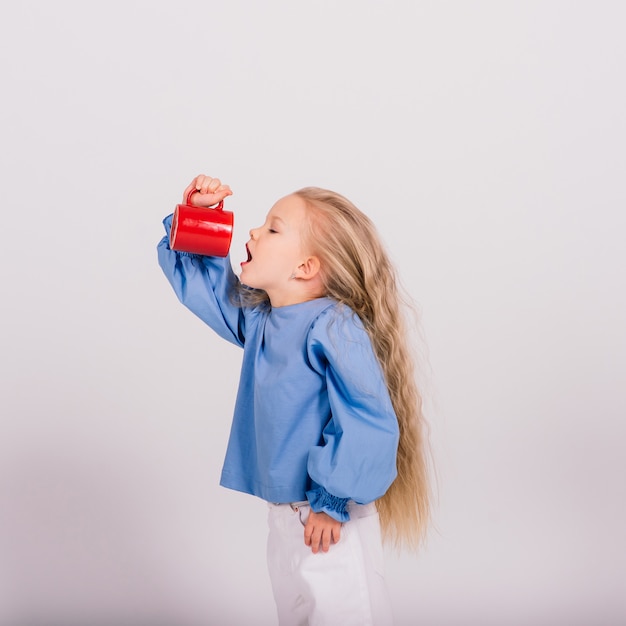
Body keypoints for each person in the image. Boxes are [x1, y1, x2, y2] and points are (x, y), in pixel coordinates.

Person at [157, 175, 431, 625]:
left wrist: (332, 500)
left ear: (305, 267)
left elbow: (367, 419)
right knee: (297, 613)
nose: (253, 233)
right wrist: (200, 218)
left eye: (272, 229)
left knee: (344, 613)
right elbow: (209, 292)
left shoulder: (334, 326)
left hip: (330, 516)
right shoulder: (263, 320)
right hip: (287, 516)